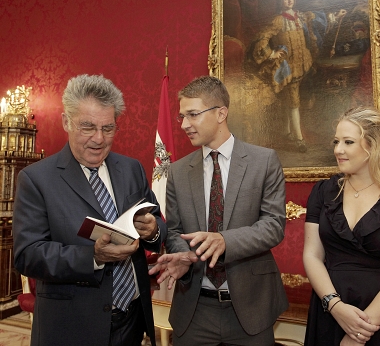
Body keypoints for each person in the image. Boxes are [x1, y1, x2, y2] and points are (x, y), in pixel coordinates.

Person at [13, 74, 167, 346]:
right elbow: (27, 255)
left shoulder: (131, 168)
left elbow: (156, 220)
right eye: (87, 127)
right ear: (66, 122)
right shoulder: (36, 179)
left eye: (108, 128)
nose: (99, 139)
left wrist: (153, 229)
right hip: (71, 326)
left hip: (132, 321)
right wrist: (92, 257)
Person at [148, 75, 288, 345]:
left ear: (221, 113)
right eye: (181, 117)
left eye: (193, 115)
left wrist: (225, 241)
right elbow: (176, 231)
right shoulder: (177, 171)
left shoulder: (263, 161)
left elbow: (273, 226)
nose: (185, 125)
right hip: (194, 309)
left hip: (251, 308)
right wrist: (184, 256)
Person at [303, 106, 380, 346]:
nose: (338, 150)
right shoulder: (322, 192)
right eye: (336, 141)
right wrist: (335, 306)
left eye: (348, 142)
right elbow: (312, 255)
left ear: (373, 146)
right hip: (330, 313)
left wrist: (358, 333)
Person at [250, 0, 346, 152]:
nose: (289, 1)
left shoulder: (301, 17)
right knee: (294, 101)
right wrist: (271, 53)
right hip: (287, 68)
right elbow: (262, 37)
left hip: (303, 64)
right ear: (280, 1)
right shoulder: (278, 21)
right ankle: (299, 139)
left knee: (291, 98)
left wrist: (336, 16)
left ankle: (286, 132)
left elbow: (320, 20)